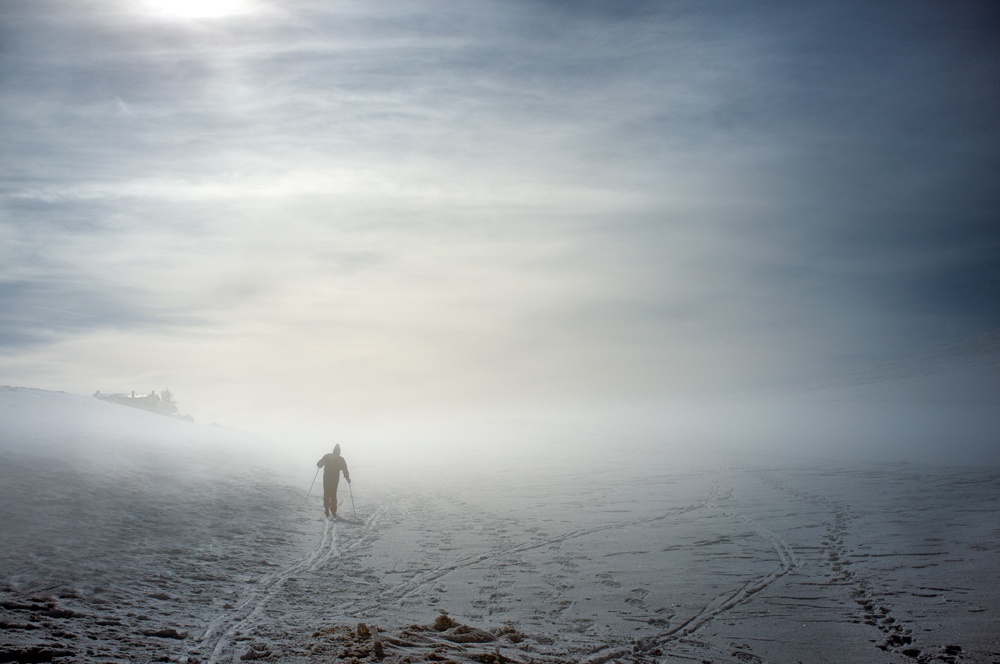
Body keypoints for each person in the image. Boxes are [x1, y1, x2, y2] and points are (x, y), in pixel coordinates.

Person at [316, 444, 350, 517]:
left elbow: (319, 464)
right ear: (339, 452)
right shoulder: (341, 459)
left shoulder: (327, 456)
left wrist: (320, 464)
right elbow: (345, 470)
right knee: (333, 493)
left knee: (326, 492)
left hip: (326, 477)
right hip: (335, 478)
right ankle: (333, 510)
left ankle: (326, 507)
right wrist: (347, 478)